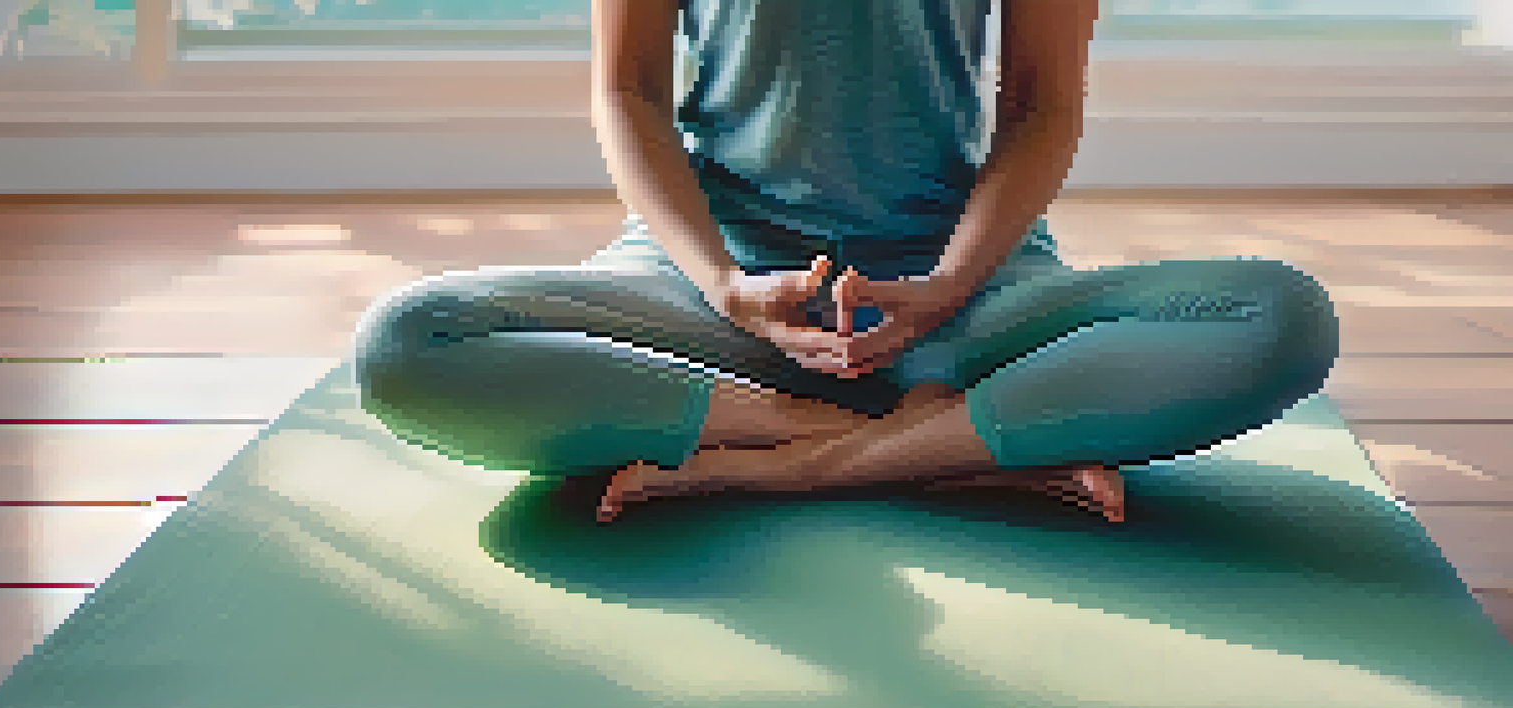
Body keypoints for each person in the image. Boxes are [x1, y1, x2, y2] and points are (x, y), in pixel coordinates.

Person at [351, 0, 1340, 526]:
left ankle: (782, 462)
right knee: (411, 341)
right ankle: (953, 446)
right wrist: (723, 286)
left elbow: (1041, 108)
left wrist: (952, 283)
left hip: (968, 293)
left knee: (1278, 315)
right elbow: (630, 91)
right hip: (714, 285)